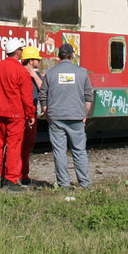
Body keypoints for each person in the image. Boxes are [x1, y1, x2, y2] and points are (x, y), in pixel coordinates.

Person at [0, 37, 35, 190]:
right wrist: (31, 114)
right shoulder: (21, 71)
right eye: (21, 50)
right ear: (17, 52)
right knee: (13, 146)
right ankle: (10, 179)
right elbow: (27, 97)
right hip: (16, 114)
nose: (22, 52)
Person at [41, 42, 95, 189]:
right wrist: (85, 114)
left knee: (59, 151)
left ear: (59, 56)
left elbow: (43, 96)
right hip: (76, 116)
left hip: (56, 117)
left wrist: (47, 113)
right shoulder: (82, 73)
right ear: (72, 56)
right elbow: (89, 96)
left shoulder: (50, 73)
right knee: (79, 151)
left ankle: (63, 184)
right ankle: (84, 183)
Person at [19, 44, 44, 185]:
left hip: (31, 114)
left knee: (27, 146)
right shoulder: (19, 73)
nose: (39, 61)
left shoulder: (36, 75)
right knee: (21, 146)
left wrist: (34, 75)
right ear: (30, 61)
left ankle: (23, 173)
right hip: (23, 115)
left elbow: (43, 89)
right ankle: (20, 174)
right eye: (37, 59)